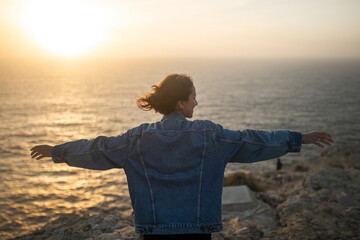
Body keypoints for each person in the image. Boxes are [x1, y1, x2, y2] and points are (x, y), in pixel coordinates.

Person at [30, 73, 334, 240]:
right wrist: (298, 139)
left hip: (153, 231)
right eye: (193, 97)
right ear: (181, 101)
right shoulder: (210, 135)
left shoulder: (137, 138)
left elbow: (99, 148)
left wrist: (59, 152)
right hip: (198, 230)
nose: (196, 102)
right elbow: (254, 140)